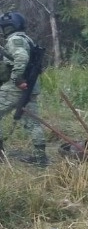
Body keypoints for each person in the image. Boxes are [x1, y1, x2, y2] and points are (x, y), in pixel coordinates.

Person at [0, 11, 47, 165]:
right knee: (33, 123)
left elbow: (21, 57)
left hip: (17, 87)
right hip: (30, 87)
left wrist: (16, 79)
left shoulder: (15, 40)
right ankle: (41, 159)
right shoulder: (27, 39)